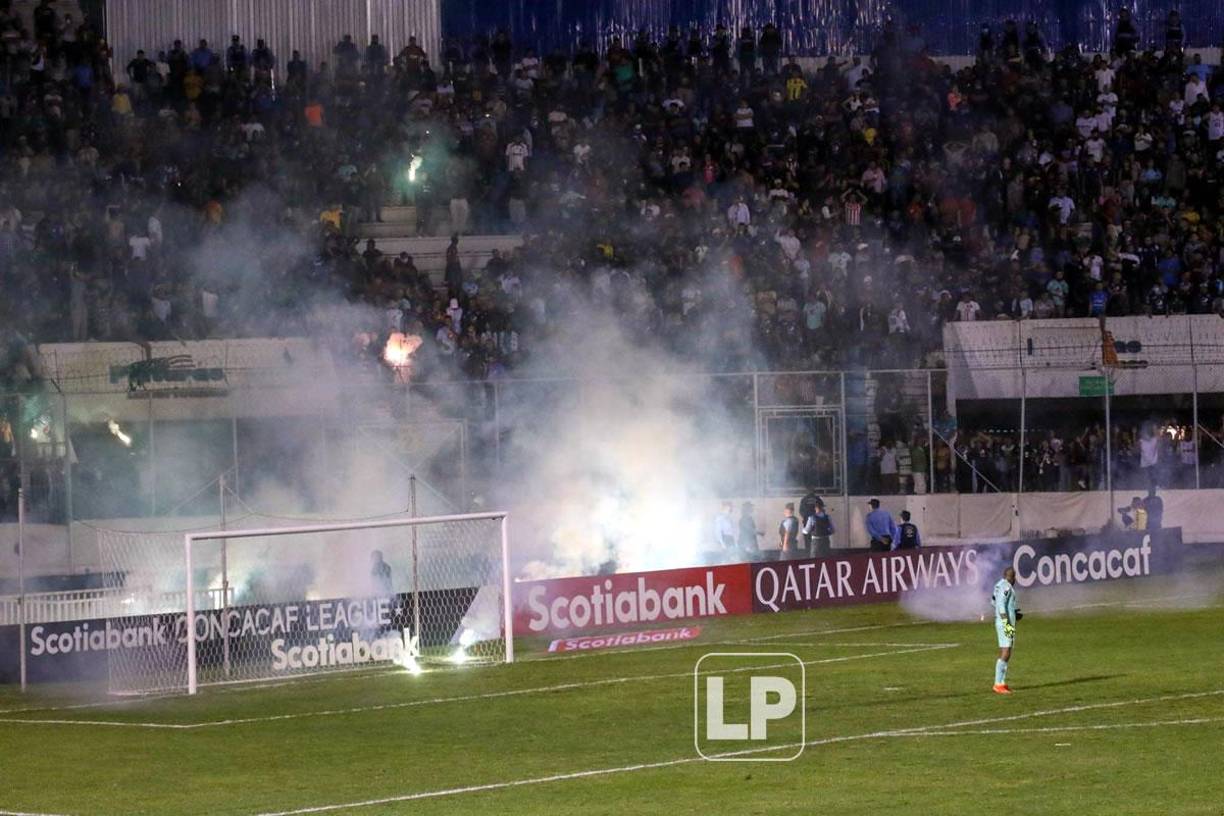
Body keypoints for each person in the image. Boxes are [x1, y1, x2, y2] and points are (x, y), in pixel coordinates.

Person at [991, 567, 1021, 694]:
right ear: (1012, 577)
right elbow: (1000, 605)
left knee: (1007, 650)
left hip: (1003, 621)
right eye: (1014, 577)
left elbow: (993, 602)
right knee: (1006, 651)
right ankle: (998, 684)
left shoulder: (998, 585)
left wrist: (1013, 612)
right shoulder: (1007, 587)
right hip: (1005, 623)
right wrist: (1006, 622)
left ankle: (1001, 683)